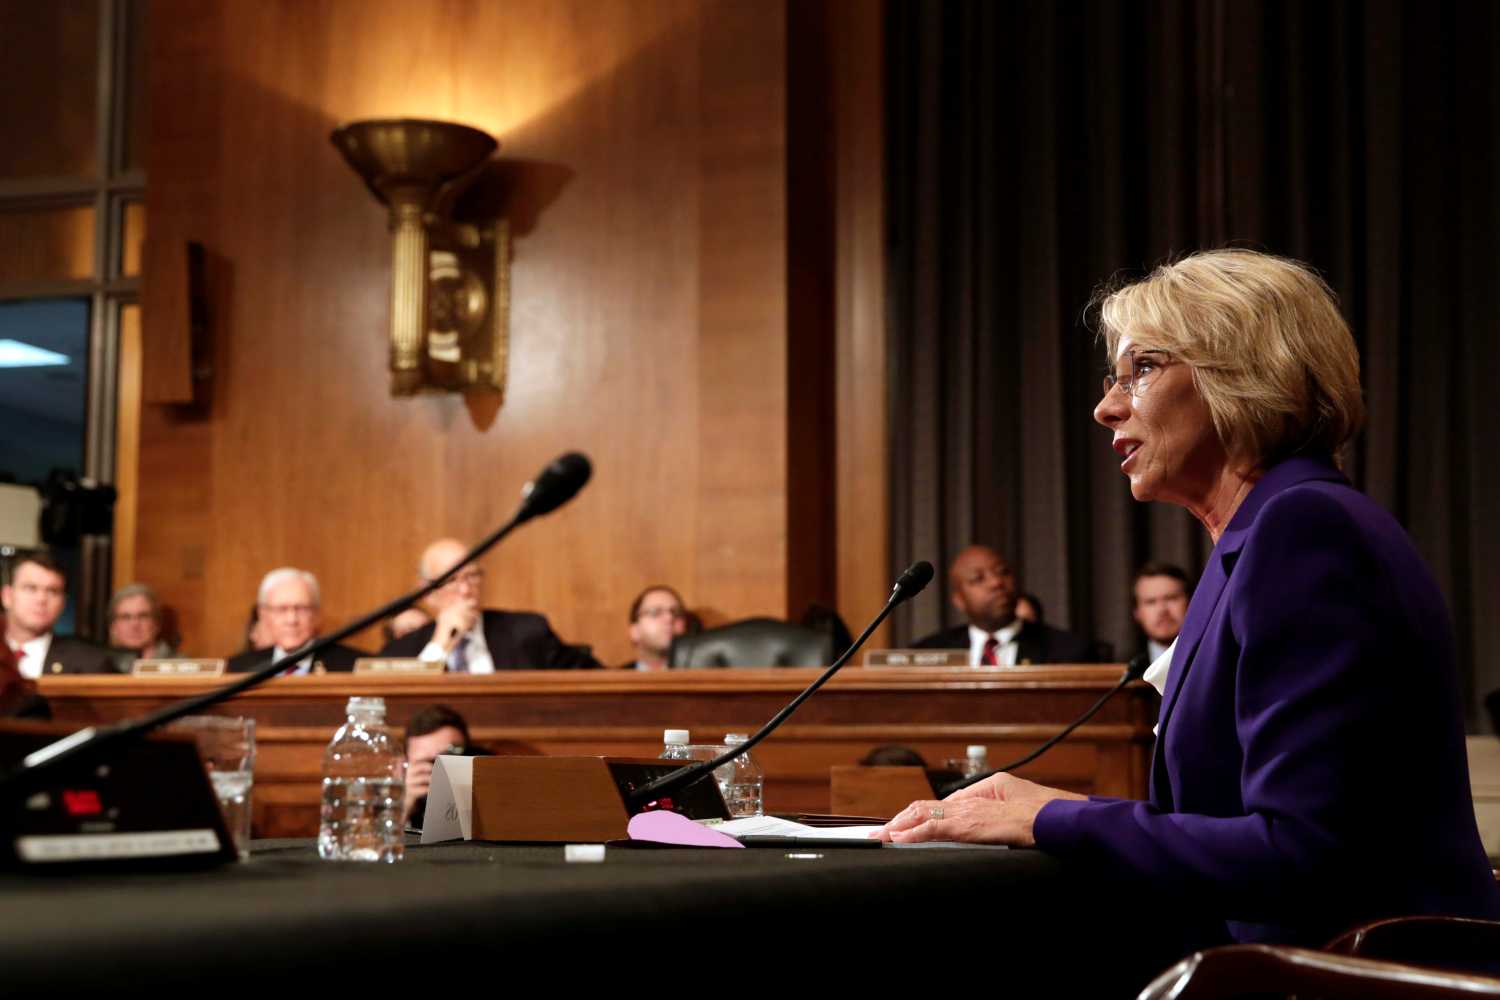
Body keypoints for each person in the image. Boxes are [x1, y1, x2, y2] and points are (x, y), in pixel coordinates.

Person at [878, 250, 1500, 955]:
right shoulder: (1268, 533)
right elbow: (1233, 821)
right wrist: (1062, 808)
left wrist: (1054, 818)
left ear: (1243, 375)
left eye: (1141, 369)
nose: (1106, 405)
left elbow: (1302, 854)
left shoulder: (1305, 532)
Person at [378, 538, 600, 670]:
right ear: (427, 592)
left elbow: (592, 680)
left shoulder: (528, 632)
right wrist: (440, 645)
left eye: (471, 577)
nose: (465, 590)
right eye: (451, 581)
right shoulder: (401, 650)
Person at [911, 545, 1095, 664]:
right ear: (959, 600)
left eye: (1003, 572)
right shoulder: (926, 654)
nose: (996, 583)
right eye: (978, 578)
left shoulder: (1068, 651)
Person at [226, 568, 362, 674]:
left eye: (301, 609)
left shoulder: (354, 666)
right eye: (281, 609)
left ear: (316, 613)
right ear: (263, 614)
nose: (291, 620)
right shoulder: (236, 669)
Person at [2, 553, 114, 675]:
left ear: (62, 603)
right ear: (7, 596)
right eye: (31, 588)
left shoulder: (91, 663)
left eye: (52, 591)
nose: (41, 599)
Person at [402, 704, 475, 827]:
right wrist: (404, 807)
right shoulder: (389, 799)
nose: (438, 770)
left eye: (448, 758)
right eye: (427, 762)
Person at [1127, 561, 1191, 691]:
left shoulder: (1214, 659)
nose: (1162, 610)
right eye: (1151, 602)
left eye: (1171, 598)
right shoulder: (1125, 669)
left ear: (1191, 603)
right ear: (1137, 613)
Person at [619, 585, 687, 670]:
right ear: (634, 631)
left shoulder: (699, 676)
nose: (669, 618)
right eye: (655, 612)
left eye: (676, 613)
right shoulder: (612, 680)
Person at [106, 583, 176, 664]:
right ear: (113, 626)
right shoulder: (101, 666)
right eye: (125, 617)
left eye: (143, 616)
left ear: (157, 623)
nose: (134, 624)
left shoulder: (182, 666)